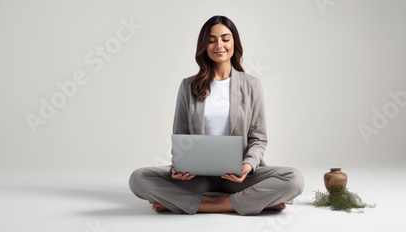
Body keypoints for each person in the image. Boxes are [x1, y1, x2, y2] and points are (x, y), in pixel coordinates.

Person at [129, 15, 304, 215]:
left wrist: (248, 164)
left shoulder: (251, 85)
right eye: (211, 40)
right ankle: (241, 203)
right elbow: (181, 136)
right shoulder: (188, 86)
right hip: (198, 177)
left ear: (234, 43)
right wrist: (179, 165)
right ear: (203, 46)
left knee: (294, 179)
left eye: (225, 38)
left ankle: (198, 204)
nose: (219, 45)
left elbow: (259, 138)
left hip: (240, 177)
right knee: (138, 178)